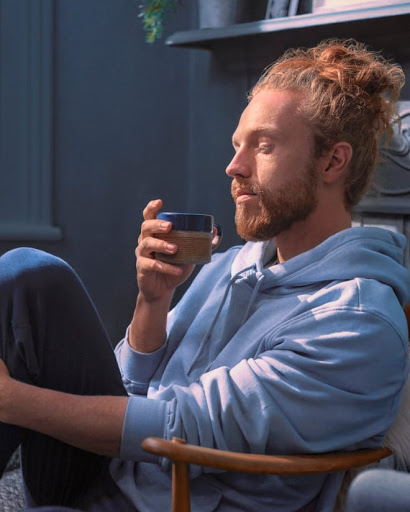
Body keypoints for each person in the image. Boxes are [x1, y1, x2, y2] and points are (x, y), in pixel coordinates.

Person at [0, 38, 409, 512]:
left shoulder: (355, 321)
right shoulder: (229, 266)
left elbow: (178, 427)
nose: (234, 167)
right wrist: (151, 305)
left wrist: (11, 401)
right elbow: (131, 388)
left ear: (332, 161)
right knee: (32, 274)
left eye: (264, 146)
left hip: (165, 500)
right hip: (113, 472)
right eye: (238, 146)